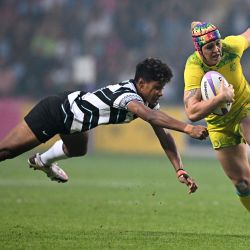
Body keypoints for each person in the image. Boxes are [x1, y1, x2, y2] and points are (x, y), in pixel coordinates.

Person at [0, 58, 208, 193]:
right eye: (157, 87)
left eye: (162, 88)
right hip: (55, 112)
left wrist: (179, 170)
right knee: (7, 151)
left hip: (74, 123)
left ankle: (43, 161)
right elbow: (150, 117)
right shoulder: (126, 95)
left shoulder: (148, 101)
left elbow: (164, 136)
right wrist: (188, 128)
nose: (161, 92)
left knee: (78, 149)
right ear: (142, 83)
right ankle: (41, 160)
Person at [184, 21, 250, 211]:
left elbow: (247, 34)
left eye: (218, 43)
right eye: (209, 47)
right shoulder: (194, 67)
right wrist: (221, 97)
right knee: (242, 183)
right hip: (219, 125)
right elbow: (192, 111)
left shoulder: (231, 47)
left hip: (245, 106)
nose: (216, 49)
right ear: (199, 50)